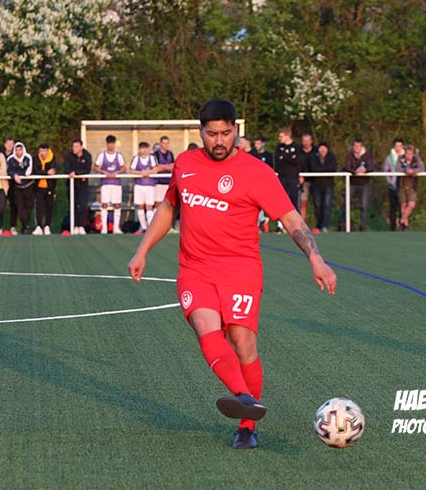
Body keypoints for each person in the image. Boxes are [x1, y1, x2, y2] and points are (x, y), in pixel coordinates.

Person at [128, 99, 337, 450]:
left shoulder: (257, 172)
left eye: (226, 133)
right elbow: (168, 207)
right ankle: (245, 399)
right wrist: (142, 250)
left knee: (242, 342)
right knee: (205, 326)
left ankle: (246, 425)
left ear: (236, 130)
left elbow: (290, 219)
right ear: (200, 132)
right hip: (195, 268)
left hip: (241, 269)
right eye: (212, 134)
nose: (219, 141)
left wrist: (316, 258)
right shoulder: (185, 164)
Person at [93, 135, 126, 234]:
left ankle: (116, 228)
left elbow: (124, 167)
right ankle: (104, 228)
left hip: (116, 184)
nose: (111, 145)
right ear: (107, 144)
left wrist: (117, 172)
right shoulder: (102, 155)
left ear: (114, 144)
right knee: (104, 204)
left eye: (112, 143)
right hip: (105, 183)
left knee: (117, 205)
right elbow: (95, 167)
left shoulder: (119, 156)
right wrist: (104, 172)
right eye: (109, 143)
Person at [342, 138, 374, 232]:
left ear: (361, 146)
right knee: (346, 204)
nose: (357, 148)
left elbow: (371, 166)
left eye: (358, 146)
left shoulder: (367, 155)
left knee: (364, 205)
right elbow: (346, 167)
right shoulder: (349, 155)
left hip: (364, 183)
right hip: (352, 183)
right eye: (355, 146)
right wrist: (354, 171)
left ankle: (362, 227)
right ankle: (345, 226)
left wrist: (365, 170)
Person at [274, 127, 302, 233]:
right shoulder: (279, 147)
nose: (279, 138)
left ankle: (297, 226)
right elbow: (278, 161)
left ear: (287, 136)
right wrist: (289, 157)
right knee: (280, 201)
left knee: (294, 200)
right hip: (282, 177)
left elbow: (297, 162)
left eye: (281, 136)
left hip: (293, 178)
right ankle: (280, 226)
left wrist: (285, 158)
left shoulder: (296, 147)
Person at [129, 141, 158, 234]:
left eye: (146, 148)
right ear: (139, 149)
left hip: (150, 186)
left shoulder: (152, 158)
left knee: (149, 206)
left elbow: (155, 169)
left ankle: (151, 227)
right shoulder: (136, 158)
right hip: (139, 185)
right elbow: (131, 170)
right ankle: (143, 227)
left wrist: (148, 172)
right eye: (142, 148)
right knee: (140, 206)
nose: (144, 150)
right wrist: (141, 173)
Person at [64, 138, 92, 235]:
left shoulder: (87, 156)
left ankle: (81, 226)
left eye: (76, 146)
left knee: (83, 205)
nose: (74, 148)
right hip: (72, 185)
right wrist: (73, 173)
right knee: (73, 205)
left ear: (81, 147)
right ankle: (75, 226)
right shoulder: (68, 155)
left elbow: (87, 170)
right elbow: (67, 169)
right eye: (73, 146)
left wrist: (76, 173)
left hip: (83, 186)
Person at [7, 141, 35, 234]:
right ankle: (25, 226)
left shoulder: (28, 157)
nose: (19, 152)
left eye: (20, 150)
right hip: (17, 188)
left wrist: (19, 174)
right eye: (17, 150)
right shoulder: (11, 159)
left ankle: (25, 226)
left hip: (28, 187)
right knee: (20, 207)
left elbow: (29, 171)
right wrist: (14, 175)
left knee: (29, 207)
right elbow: (9, 170)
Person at [309, 142, 337, 233]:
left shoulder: (332, 157)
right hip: (316, 185)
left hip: (328, 185)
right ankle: (318, 225)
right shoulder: (314, 158)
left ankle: (325, 226)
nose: (322, 151)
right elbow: (313, 169)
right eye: (321, 149)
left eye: (324, 149)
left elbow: (333, 168)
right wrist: (325, 168)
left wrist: (322, 169)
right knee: (317, 205)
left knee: (327, 205)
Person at [395, 144, 425, 231]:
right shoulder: (400, 158)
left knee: (411, 205)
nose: (409, 155)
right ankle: (405, 225)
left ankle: (401, 220)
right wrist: (406, 171)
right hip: (402, 184)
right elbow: (397, 168)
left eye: (411, 154)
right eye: (407, 153)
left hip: (412, 185)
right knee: (403, 205)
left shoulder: (416, 159)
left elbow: (422, 168)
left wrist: (413, 171)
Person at [34, 143, 57, 235]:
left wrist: (54, 190)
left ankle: (47, 226)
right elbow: (35, 171)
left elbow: (53, 172)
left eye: (44, 151)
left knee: (49, 207)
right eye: (41, 151)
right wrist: (46, 172)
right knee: (39, 207)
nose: (42, 153)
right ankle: (39, 226)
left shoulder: (52, 158)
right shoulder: (36, 158)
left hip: (49, 187)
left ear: (47, 151)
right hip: (39, 188)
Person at [251, 137, 273, 233]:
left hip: (264, 183)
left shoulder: (268, 155)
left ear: (263, 144)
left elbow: (270, 168)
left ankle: (262, 220)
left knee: (260, 202)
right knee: (254, 202)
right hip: (253, 182)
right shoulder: (252, 154)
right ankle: (261, 221)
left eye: (258, 143)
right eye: (255, 144)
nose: (256, 146)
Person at [382, 138, 405, 231]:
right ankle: (393, 228)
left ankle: (403, 226)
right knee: (393, 208)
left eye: (400, 146)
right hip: (393, 186)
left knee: (403, 207)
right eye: (396, 146)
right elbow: (385, 171)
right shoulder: (389, 158)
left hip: (403, 186)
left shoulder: (406, 157)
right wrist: (390, 182)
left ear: (402, 146)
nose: (398, 148)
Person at [153, 135, 175, 206]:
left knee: (168, 203)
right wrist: (167, 166)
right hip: (159, 182)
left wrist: (163, 167)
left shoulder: (170, 153)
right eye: (164, 143)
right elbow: (156, 168)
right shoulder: (156, 154)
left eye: (167, 143)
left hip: (168, 182)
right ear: (160, 144)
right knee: (158, 203)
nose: (166, 145)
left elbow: (173, 166)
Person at [299, 133, 316, 222]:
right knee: (303, 204)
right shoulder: (298, 152)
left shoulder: (316, 151)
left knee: (317, 204)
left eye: (308, 141)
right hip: (303, 182)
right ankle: (302, 225)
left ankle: (319, 226)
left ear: (311, 141)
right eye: (304, 141)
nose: (306, 143)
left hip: (315, 181)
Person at [3, 137, 18, 234]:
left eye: (12, 144)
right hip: (1, 184)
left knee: (14, 206)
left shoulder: (16, 156)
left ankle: (13, 227)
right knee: (0, 206)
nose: (10, 146)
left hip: (13, 185)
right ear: (5, 145)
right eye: (8, 143)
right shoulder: (0, 154)